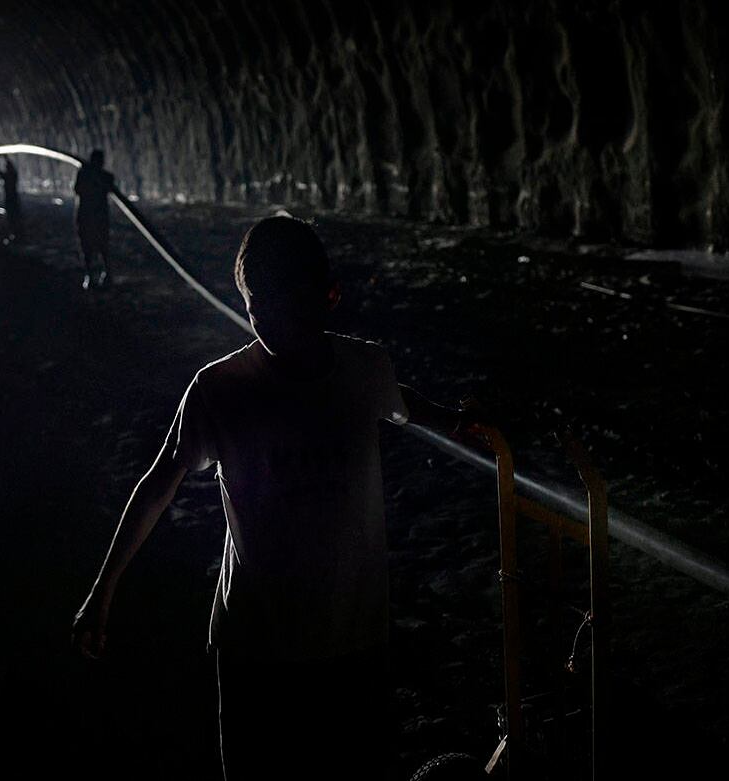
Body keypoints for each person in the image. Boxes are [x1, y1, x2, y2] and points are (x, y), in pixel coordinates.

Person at [72, 216, 484, 780]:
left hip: (351, 641)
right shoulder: (221, 389)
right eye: (258, 312)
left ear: (329, 296)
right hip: (258, 650)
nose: (272, 327)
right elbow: (159, 482)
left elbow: (398, 400)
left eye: (285, 309)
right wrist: (102, 592)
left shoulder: (365, 370)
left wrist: (455, 420)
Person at [73, 148, 114, 288]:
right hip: (89, 216)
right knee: (88, 246)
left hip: (94, 217)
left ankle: (104, 274)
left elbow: (78, 190)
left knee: (100, 246)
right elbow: (77, 189)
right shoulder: (86, 175)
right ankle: (92, 275)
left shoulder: (103, 177)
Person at [0, 157, 22, 239]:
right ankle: (17, 230)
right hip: (13, 195)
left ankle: (13, 230)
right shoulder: (13, 174)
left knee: (11, 213)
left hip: (9, 196)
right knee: (15, 212)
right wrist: (6, 157)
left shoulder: (7, 175)